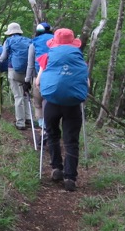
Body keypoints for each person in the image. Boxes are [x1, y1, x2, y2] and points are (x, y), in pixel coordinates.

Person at [35, 28, 89, 192]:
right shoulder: (80, 60)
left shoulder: (47, 58)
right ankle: (70, 177)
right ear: (73, 42)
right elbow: (87, 85)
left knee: (52, 134)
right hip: (73, 105)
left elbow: (38, 83)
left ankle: (56, 168)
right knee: (71, 140)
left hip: (52, 103)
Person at [0, 22, 32, 130]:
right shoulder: (28, 40)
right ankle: (28, 118)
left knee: (18, 96)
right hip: (27, 71)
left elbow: (3, 57)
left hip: (13, 70)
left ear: (10, 32)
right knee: (26, 94)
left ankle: (20, 123)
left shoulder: (8, 41)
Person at [25, 22, 54, 131]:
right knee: (51, 103)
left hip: (39, 77)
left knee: (38, 104)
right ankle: (50, 126)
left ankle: (42, 127)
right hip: (55, 77)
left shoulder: (34, 43)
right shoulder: (57, 41)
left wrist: (27, 80)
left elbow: (30, 64)